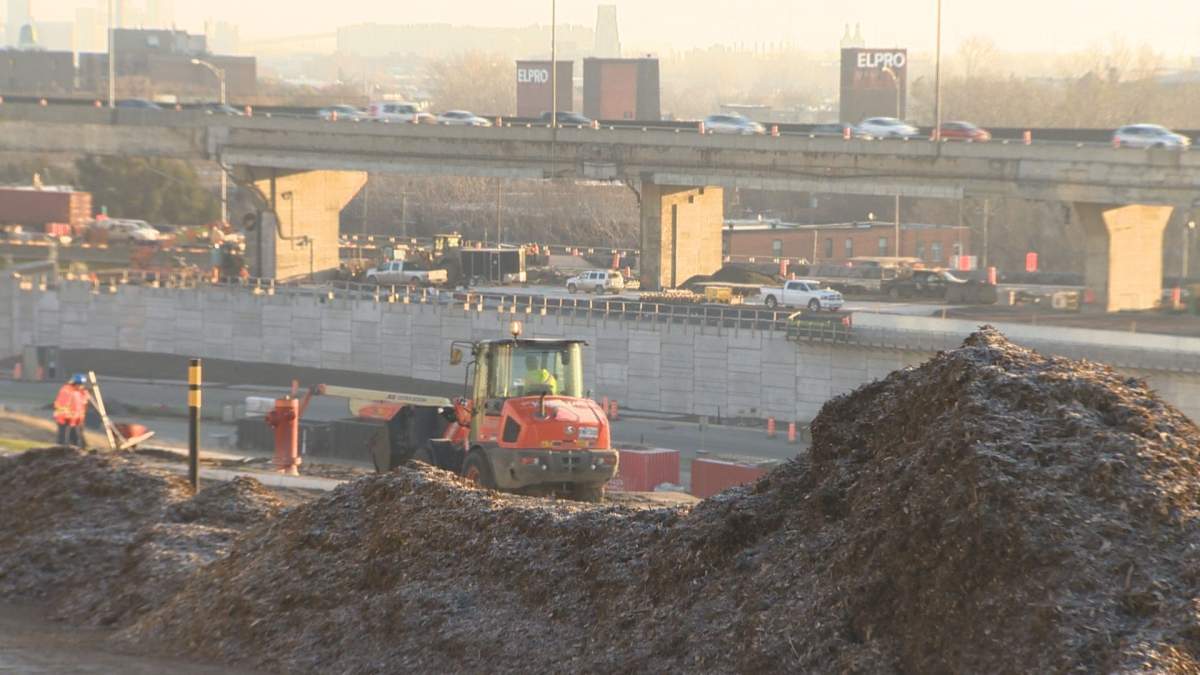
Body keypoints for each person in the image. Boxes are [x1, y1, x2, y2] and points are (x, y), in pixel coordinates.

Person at [53, 373, 90, 448]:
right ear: (74, 383)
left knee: (77, 438)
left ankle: (78, 452)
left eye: (82, 384)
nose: (81, 385)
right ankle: (60, 452)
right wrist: (67, 416)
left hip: (76, 420)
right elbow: (62, 405)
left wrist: (85, 394)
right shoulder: (66, 391)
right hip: (65, 419)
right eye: (79, 384)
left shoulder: (81, 392)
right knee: (63, 438)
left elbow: (82, 405)